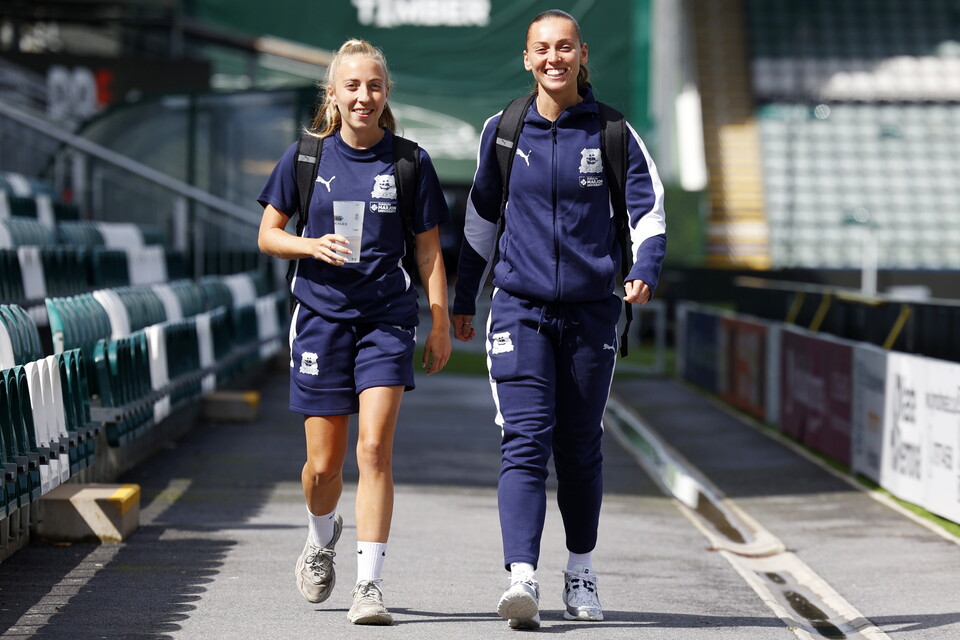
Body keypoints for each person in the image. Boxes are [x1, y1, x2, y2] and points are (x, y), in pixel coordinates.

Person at [452, 9, 666, 630]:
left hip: (592, 313)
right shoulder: (504, 129)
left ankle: (580, 570)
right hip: (518, 307)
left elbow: (647, 214)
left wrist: (645, 266)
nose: (554, 58)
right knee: (523, 440)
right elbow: (479, 222)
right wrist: (465, 298)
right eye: (542, 48)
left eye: (564, 47)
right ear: (527, 58)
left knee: (578, 447)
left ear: (581, 54)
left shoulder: (613, 131)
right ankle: (521, 578)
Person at [257, 38, 451, 626]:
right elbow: (268, 234)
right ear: (334, 95)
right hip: (318, 319)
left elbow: (427, 251)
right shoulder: (305, 157)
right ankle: (321, 537)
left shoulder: (409, 161)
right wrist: (309, 245)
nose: (363, 96)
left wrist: (438, 319)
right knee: (324, 465)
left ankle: (369, 585)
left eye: (373, 86)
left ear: (385, 93)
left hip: (386, 321)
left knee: (374, 450)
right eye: (351, 86)